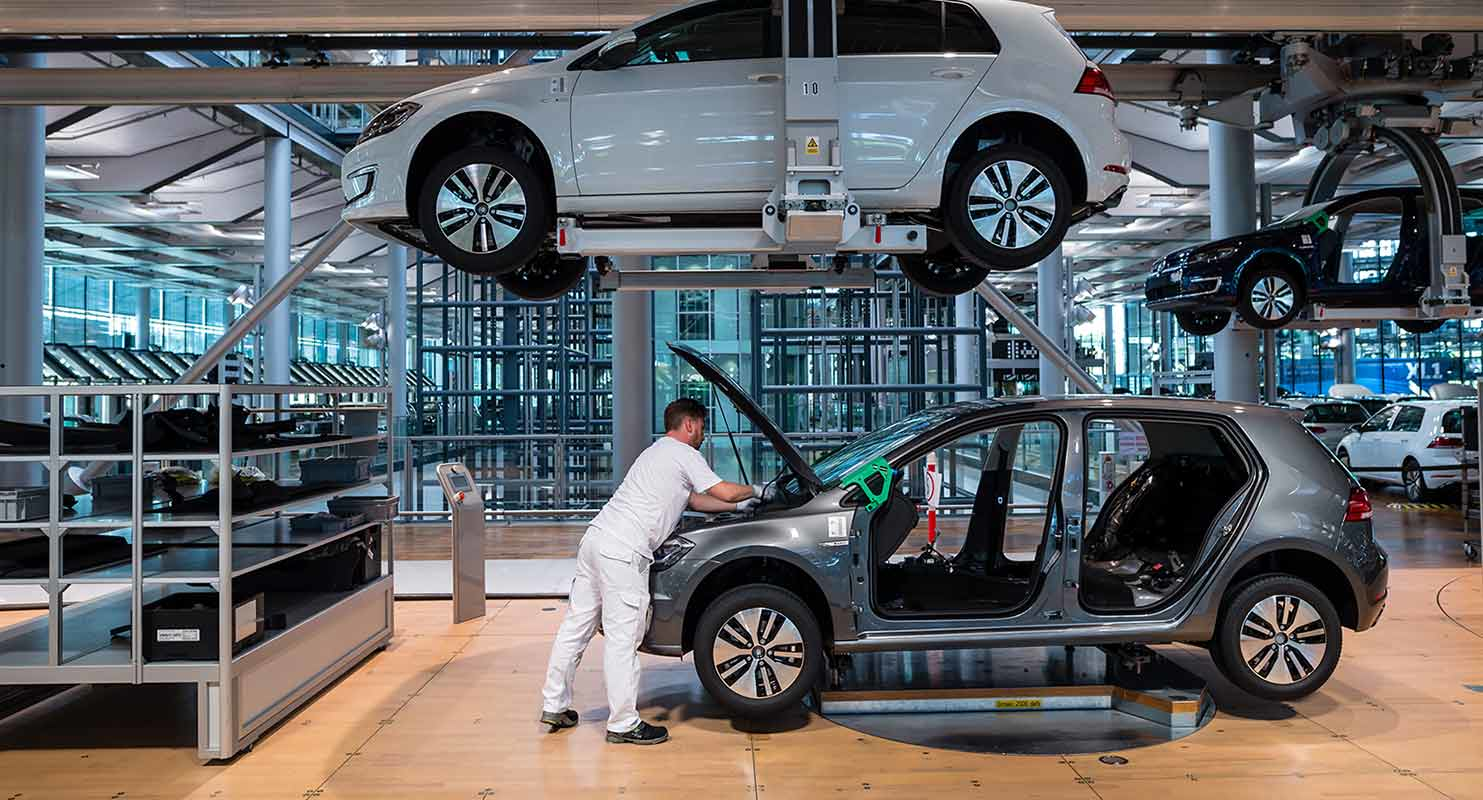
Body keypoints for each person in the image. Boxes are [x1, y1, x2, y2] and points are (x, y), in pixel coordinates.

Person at [539, 398, 762, 745]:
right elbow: (721, 490)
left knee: (576, 626)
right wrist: (759, 490)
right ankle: (623, 723)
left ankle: (554, 704)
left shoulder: (657, 452)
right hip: (623, 552)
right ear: (689, 424)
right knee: (623, 638)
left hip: (596, 540)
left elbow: (698, 500)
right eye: (702, 425)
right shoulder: (685, 453)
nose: (704, 432)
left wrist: (743, 504)